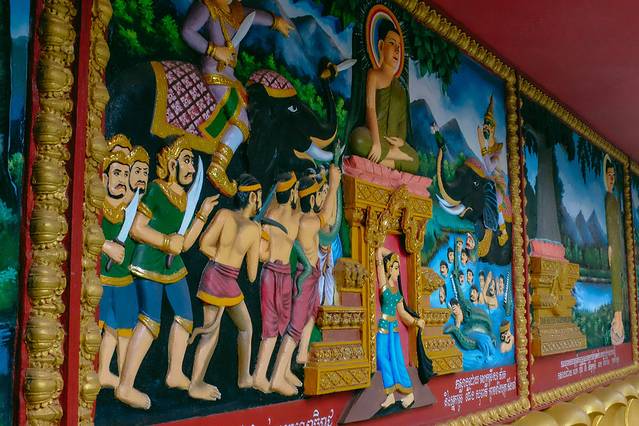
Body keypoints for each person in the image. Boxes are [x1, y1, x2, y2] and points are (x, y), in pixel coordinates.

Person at [116, 137, 219, 409]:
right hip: (149, 260)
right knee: (150, 321)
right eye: (186, 161)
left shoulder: (184, 199)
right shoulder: (156, 190)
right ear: (172, 164)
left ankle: (175, 373)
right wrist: (164, 241)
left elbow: (184, 244)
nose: (191, 168)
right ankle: (125, 386)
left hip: (172, 264)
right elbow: (137, 228)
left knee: (185, 316)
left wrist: (203, 214)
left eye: (192, 163)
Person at [181, 0, 292, 196]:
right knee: (241, 121)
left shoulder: (236, 12)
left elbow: (253, 16)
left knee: (253, 113)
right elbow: (188, 31)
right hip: (214, 72)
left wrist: (276, 21)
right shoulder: (208, 6)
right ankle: (218, 167)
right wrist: (214, 50)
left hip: (231, 77)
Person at [188, 174, 267, 401]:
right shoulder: (253, 229)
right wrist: (260, 246)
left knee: (221, 330)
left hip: (214, 275)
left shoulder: (223, 214)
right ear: (252, 197)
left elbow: (204, 245)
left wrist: (221, 259)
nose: (260, 200)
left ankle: (243, 377)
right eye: (259, 196)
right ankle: (196, 384)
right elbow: (251, 275)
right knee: (224, 330)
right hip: (225, 279)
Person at [269, 166, 341, 396]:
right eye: (318, 195)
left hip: (313, 274)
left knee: (311, 313)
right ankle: (277, 377)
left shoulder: (301, 217)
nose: (321, 198)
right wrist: (334, 184)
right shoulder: (307, 222)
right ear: (311, 199)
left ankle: (296, 360)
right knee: (295, 327)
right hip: (306, 277)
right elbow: (327, 215)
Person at [349, 19, 419, 173]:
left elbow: (402, 122)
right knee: (357, 140)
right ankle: (392, 157)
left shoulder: (401, 89)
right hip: (373, 135)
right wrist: (376, 142)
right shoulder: (374, 75)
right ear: (381, 46)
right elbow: (370, 108)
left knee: (415, 160)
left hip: (392, 143)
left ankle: (384, 159)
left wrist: (400, 142)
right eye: (392, 43)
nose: (397, 50)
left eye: (399, 47)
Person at [253, 172, 302, 393]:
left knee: (276, 325)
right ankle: (260, 376)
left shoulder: (270, 214)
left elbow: (261, 254)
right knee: (272, 327)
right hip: (277, 274)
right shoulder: (294, 217)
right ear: (292, 193)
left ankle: (274, 374)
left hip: (272, 271)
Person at [98, 150, 136, 389]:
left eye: (125, 174)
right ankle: (91, 370)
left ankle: (122, 379)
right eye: (117, 173)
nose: (121, 179)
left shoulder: (128, 212)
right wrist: (105, 246)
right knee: (97, 325)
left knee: (123, 328)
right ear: (104, 178)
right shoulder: (96, 208)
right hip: (100, 279)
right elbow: (84, 231)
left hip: (124, 279)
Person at [375, 247, 425, 409]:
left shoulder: (397, 293)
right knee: (381, 356)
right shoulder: (384, 285)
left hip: (393, 330)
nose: (398, 272)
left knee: (397, 360)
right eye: (396, 268)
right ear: (389, 269)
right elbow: (378, 252)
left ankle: (409, 394)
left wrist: (416, 322)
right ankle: (390, 394)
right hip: (383, 327)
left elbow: (403, 314)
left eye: (398, 268)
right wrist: (393, 255)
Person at [603, 155, 625, 345]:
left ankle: (619, 319)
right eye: (609, 175)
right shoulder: (607, 199)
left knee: (619, 279)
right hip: (612, 246)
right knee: (616, 280)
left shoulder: (614, 200)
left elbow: (616, 226)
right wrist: (610, 246)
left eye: (613, 175)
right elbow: (609, 225)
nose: (611, 178)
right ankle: (617, 320)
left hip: (618, 246)